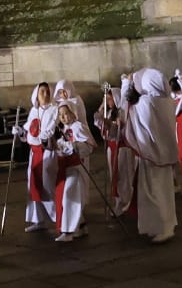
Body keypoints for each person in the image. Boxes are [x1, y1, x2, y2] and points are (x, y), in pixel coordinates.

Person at [122, 70, 179, 243]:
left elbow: (126, 110)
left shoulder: (147, 102)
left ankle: (161, 227)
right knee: (166, 191)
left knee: (152, 191)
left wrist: (126, 84)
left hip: (151, 154)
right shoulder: (167, 101)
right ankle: (165, 225)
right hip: (165, 153)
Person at [14, 84, 56, 234]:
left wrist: (43, 136)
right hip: (34, 154)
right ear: (36, 95)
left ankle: (60, 219)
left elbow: (50, 130)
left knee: (48, 187)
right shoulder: (34, 111)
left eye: (47, 91)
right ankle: (38, 220)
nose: (45, 94)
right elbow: (28, 134)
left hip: (46, 153)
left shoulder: (54, 110)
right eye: (42, 92)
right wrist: (20, 131)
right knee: (33, 187)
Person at [49, 97, 92, 242]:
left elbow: (89, 147)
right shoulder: (63, 129)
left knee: (69, 196)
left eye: (66, 113)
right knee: (72, 197)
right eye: (61, 115)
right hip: (67, 168)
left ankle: (68, 232)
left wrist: (74, 147)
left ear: (73, 113)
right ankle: (81, 225)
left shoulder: (79, 127)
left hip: (77, 168)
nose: (64, 117)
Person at [93, 84, 135, 217]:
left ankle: (127, 202)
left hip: (122, 149)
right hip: (112, 149)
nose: (108, 102)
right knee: (114, 177)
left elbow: (120, 131)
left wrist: (111, 125)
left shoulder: (122, 113)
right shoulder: (109, 112)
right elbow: (99, 122)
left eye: (110, 99)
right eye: (106, 99)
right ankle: (118, 202)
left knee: (124, 176)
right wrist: (102, 106)